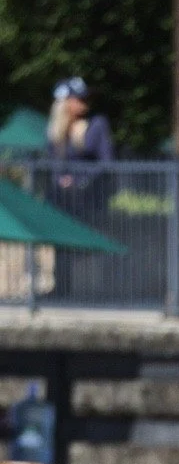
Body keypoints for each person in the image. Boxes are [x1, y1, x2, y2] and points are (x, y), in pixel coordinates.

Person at [47, 77, 115, 298]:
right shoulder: (56, 132)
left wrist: (78, 181)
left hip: (89, 198)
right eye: (79, 98)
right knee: (62, 243)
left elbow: (106, 163)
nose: (84, 102)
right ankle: (62, 289)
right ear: (64, 102)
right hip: (63, 200)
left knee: (91, 243)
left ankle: (96, 292)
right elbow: (53, 166)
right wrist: (61, 182)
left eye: (85, 97)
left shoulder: (97, 124)